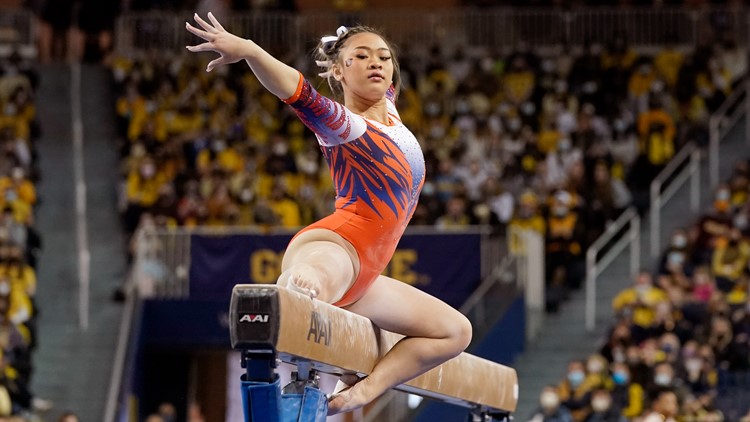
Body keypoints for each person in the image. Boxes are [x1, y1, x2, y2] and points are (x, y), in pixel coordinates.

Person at [185, 13, 472, 415]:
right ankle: (299, 293)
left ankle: (364, 392)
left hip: (367, 277)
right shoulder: (344, 126)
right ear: (338, 70)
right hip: (337, 248)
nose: (377, 63)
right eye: (362, 56)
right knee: (309, 284)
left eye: (384, 57)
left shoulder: (389, 111)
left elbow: (366, 78)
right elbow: (298, 92)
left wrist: (346, 57)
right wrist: (250, 50)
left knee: (455, 331)